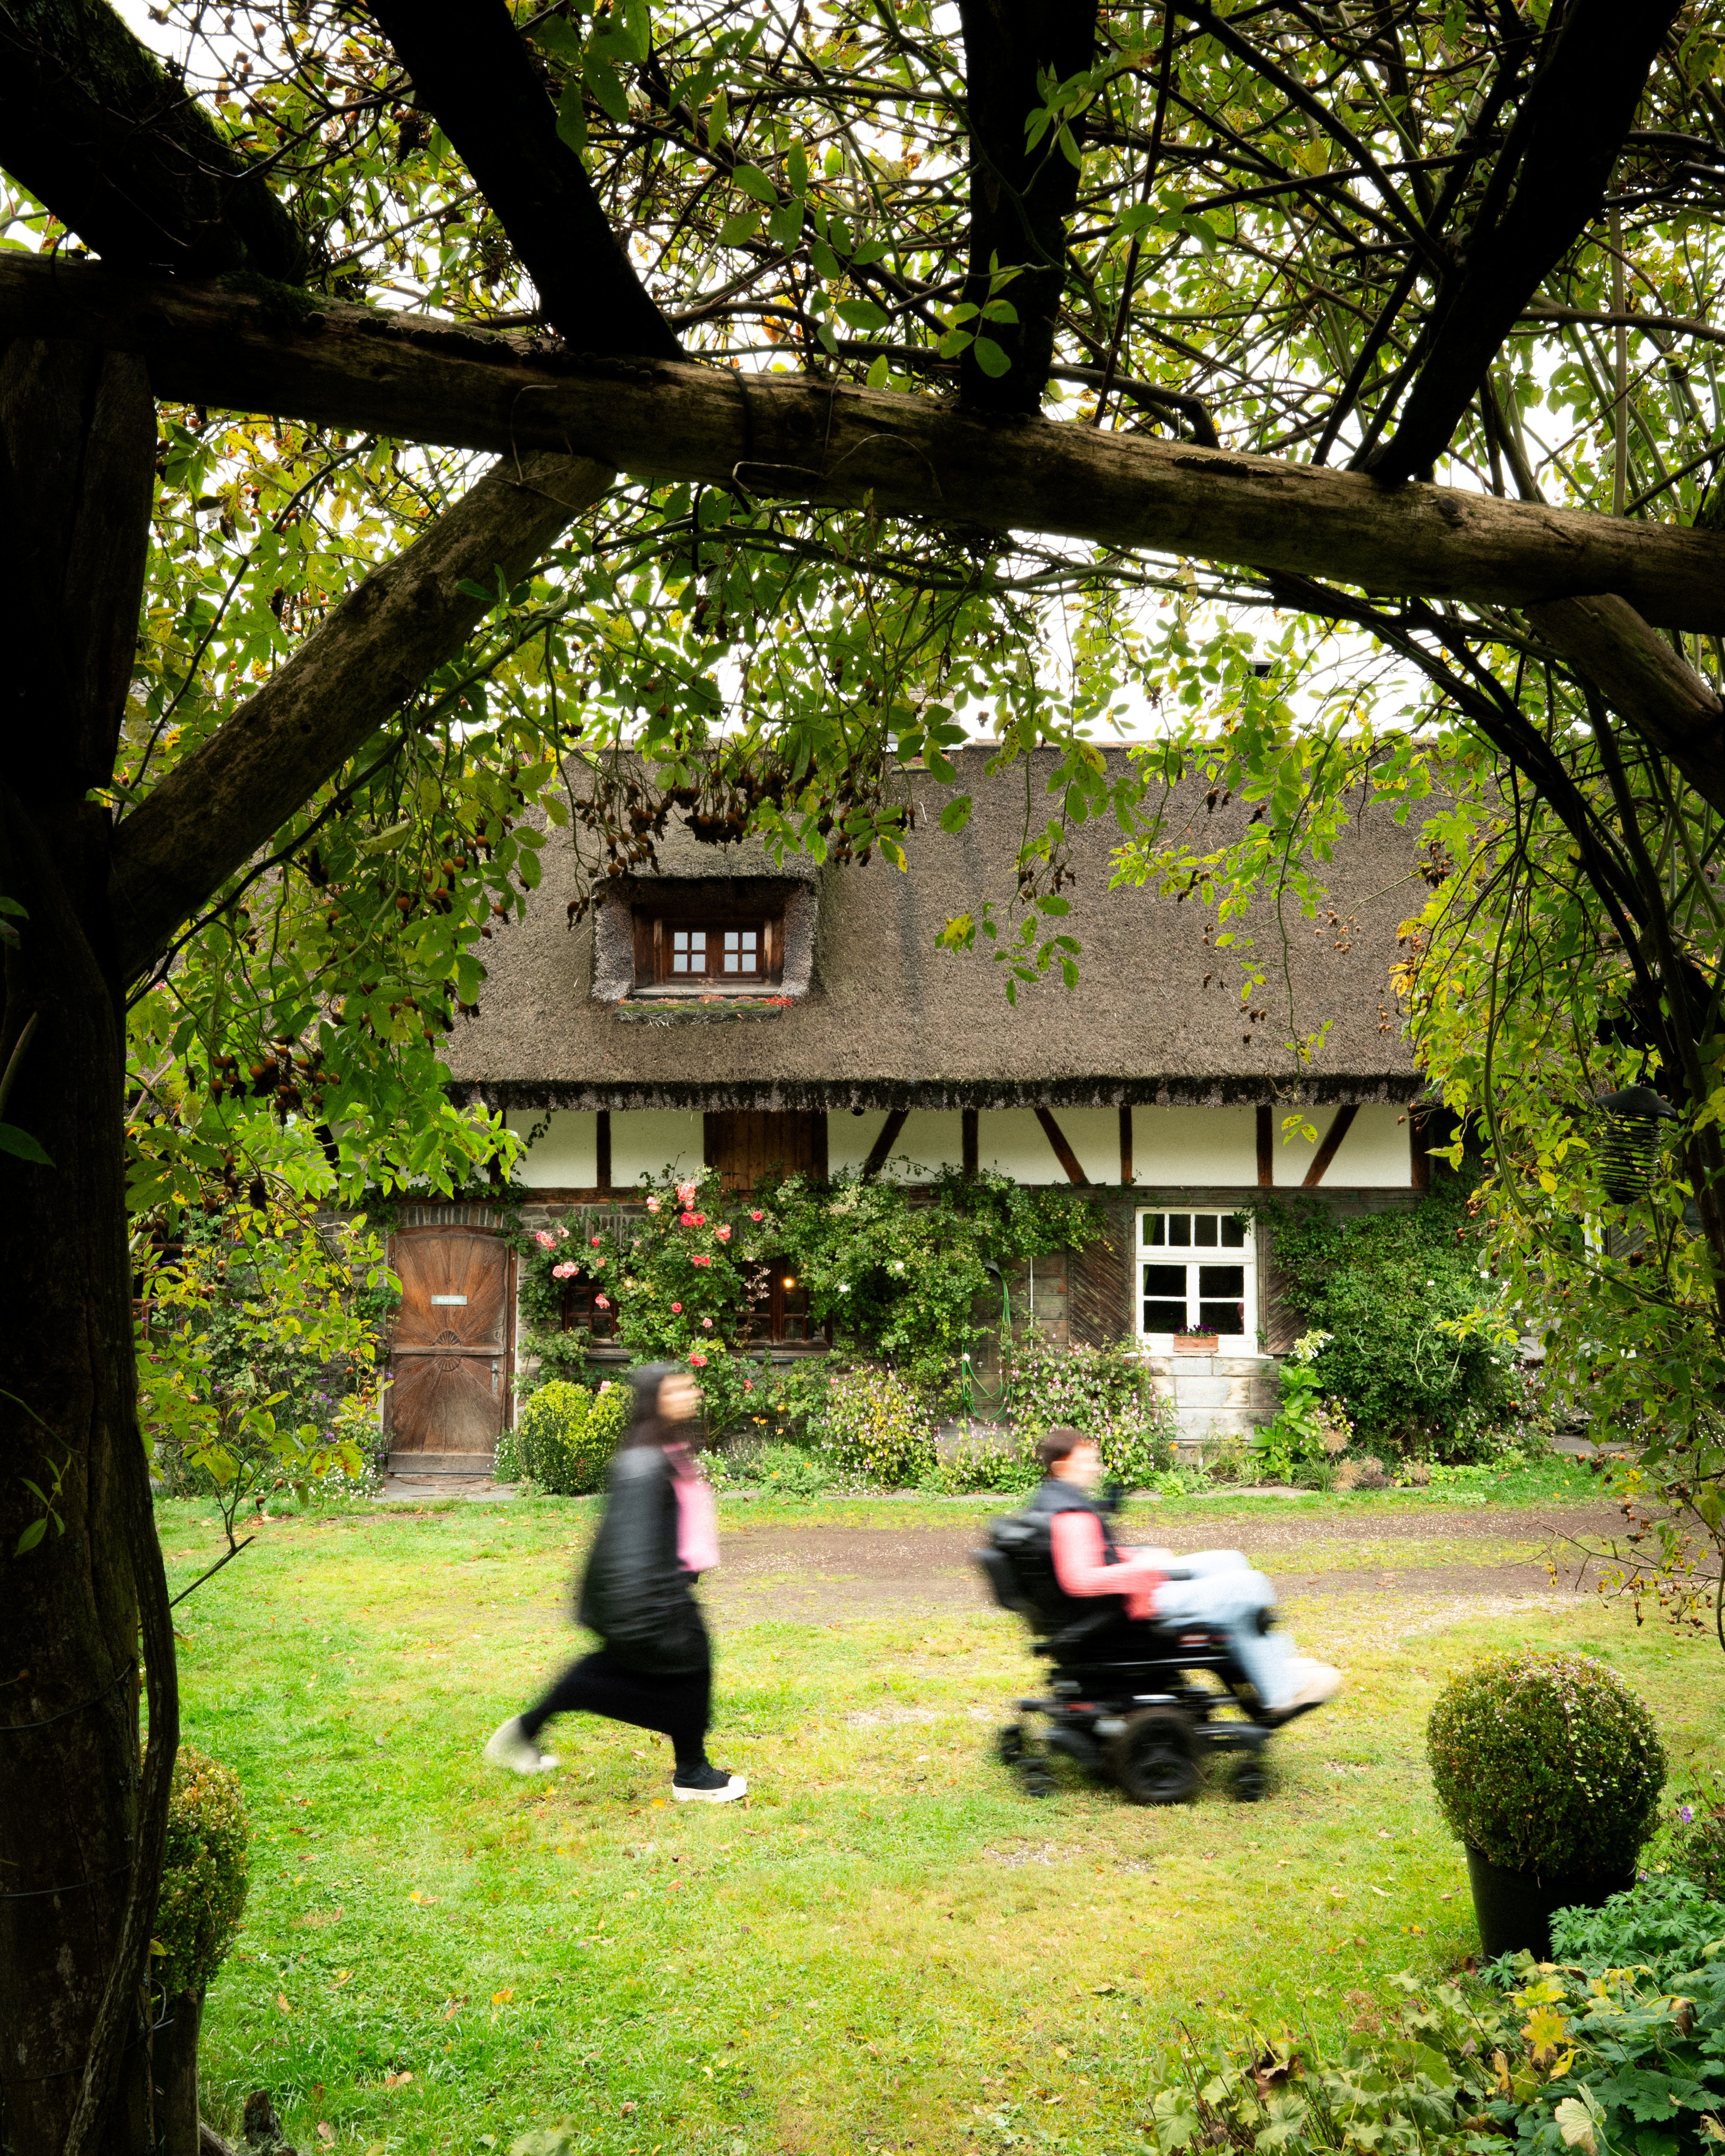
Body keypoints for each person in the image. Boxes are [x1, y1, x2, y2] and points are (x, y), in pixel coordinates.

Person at [483, 1362, 746, 1802]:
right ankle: (692, 1773)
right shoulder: (644, 1461)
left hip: (662, 1588)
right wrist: (654, 1609)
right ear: (654, 1399)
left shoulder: (665, 1447)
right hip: (652, 1595)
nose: (691, 1393)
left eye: (689, 1385)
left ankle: (530, 1728)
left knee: (647, 1673)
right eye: (677, 1388)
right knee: (680, 1676)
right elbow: (630, 1547)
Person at [1032, 1426, 1342, 1716]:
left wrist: (1136, 1556)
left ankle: (1278, 1665)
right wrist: (1144, 1569)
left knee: (1228, 1561)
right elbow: (1079, 1580)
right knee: (1248, 1587)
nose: (1095, 1467)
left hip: (1123, 1596)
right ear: (1061, 1468)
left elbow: (1097, 1555)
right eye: (1086, 1461)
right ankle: (1281, 1692)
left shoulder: (1058, 1503)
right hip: (1129, 1610)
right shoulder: (1070, 1515)